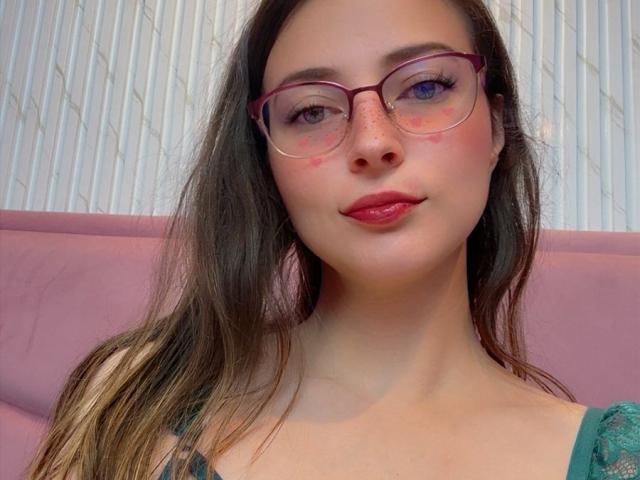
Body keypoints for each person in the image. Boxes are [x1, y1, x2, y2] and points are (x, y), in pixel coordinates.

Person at [27, 0, 639, 479]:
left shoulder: (615, 458)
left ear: (497, 126)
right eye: (311, 111)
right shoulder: (136, 398)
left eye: (426, 86)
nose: (372, 142)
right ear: (266, 163)